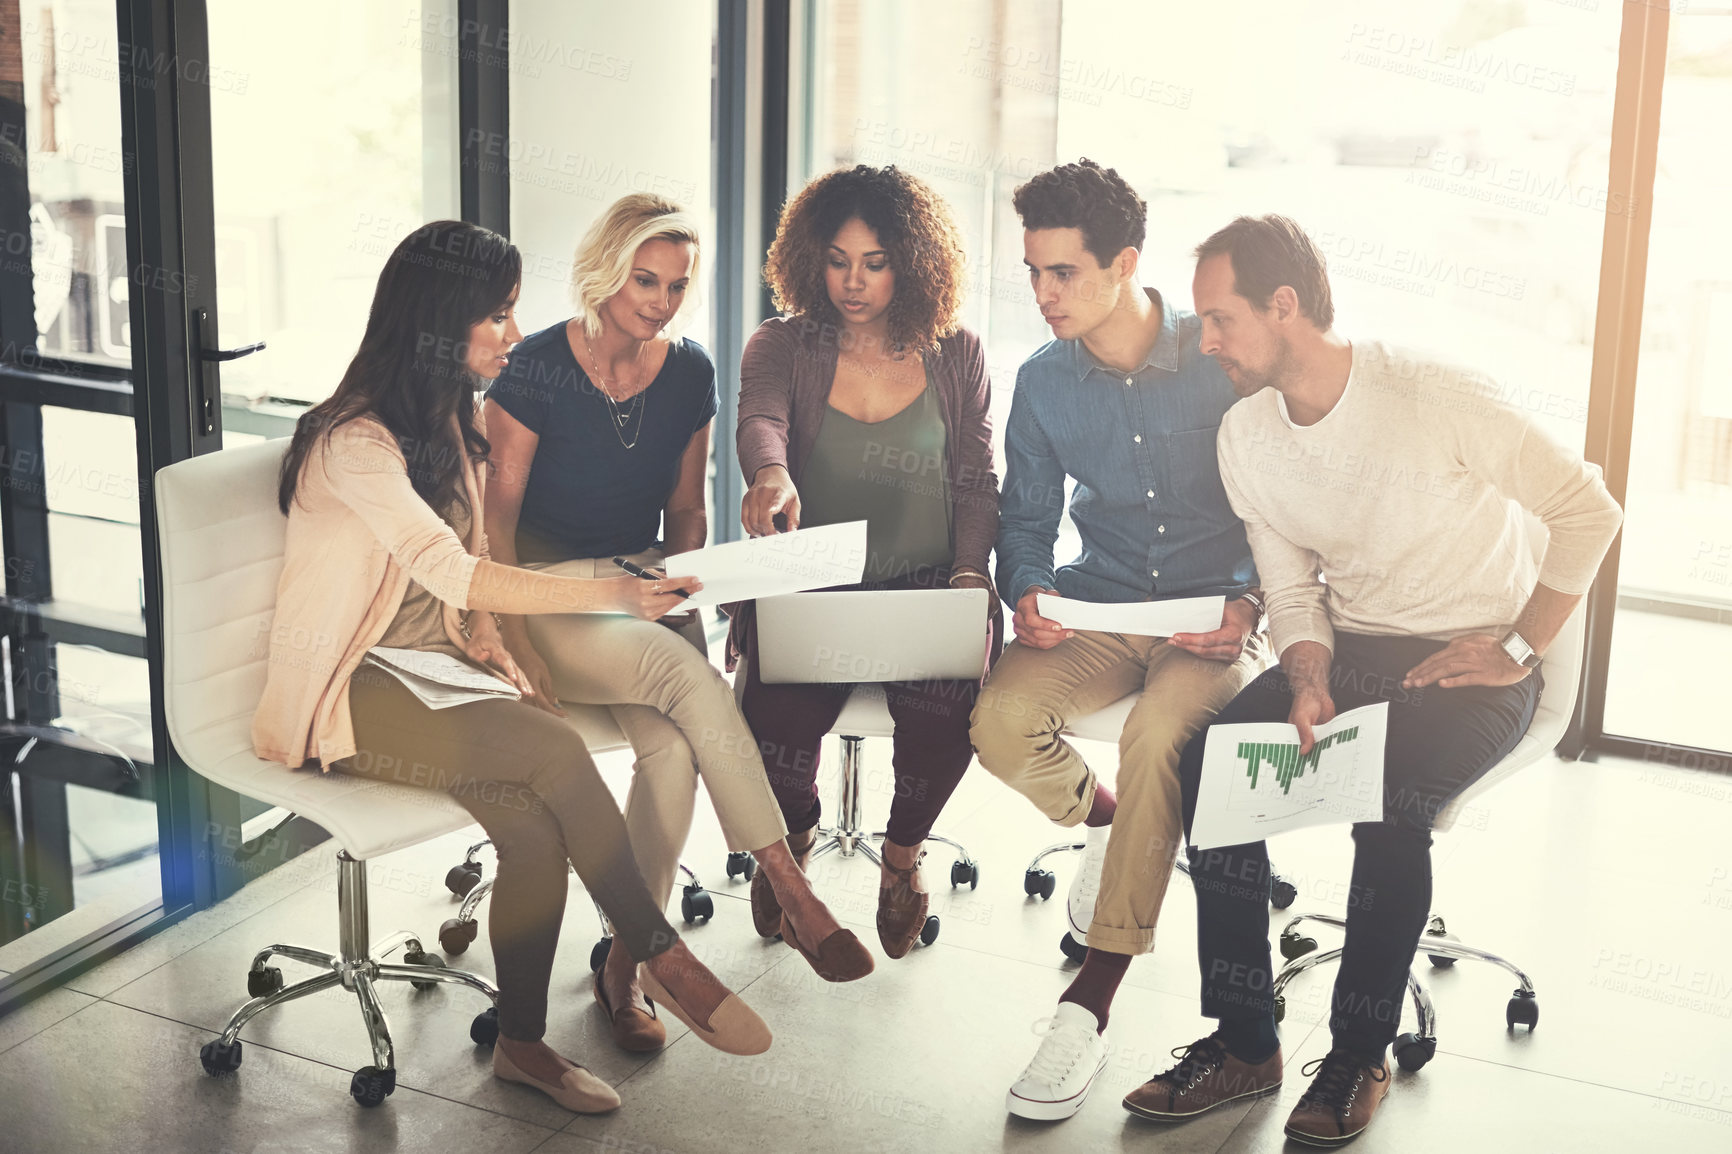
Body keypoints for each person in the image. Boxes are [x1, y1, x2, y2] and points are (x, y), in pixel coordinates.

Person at [1120, 214, 1622, 1146]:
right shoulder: (1246, 437)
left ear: (1286, 305)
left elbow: (1589, 510)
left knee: (1393, 801)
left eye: (1223, 319)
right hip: (1353, 650)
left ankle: (1359, 1054)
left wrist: (1519, 647)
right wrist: (1307, 672)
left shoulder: (1435, 395)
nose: (1208, 342)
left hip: (1471, 660)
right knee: (1214, 768)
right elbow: (1291, 586)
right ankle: (1243, 1045)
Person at [252, 221, 773, 1117]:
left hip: (435, 673)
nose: (513, 332)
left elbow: (468, 568)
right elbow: (452, 569)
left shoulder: (446, 421)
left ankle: (524, 1049)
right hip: (354, 691)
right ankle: (655, 951)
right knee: (552, 750)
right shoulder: (355, 445)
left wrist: (493, 639)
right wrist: (611, 592)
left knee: (533, 834)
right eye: (495, 316)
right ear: (437, 325)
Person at [481, 195, 871, 1050]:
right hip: (549, 594)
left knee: (669, 753)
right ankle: (788, 883)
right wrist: (512, 642)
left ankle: (625, 966)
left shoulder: (690, 371)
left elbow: (687, 513)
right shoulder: (533, 371)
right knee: (682, 681)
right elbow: (492, 533)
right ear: (607, 269)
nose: (659, 300)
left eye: (677, 285)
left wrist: (686, 592)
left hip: (644, 585)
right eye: (644, 279)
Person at [965, 160, 1270, 1120]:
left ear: (1125, 263)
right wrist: (1030, 587)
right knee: (1000, 723)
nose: (1043, 293)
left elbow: (1284, 510)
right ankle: (1110, 826)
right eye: (1033, 273)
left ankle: (1087, 1005)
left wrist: (1249, 604)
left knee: (1160, 743)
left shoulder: (1218, 361)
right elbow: (1025, 522)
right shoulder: (1045, 382)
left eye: (1062, 273)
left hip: (1209, 624)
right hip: (1099, 606)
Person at [732, 164, 1001, 960]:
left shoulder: (956, 352)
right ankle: (796, 846)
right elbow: (760, 421)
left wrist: (968, 577)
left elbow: (978, 480)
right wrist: (771, 474)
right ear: (810, 258)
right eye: (838, 260)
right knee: (771, 719)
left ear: (911, 265)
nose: (853, 282)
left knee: (950, 710)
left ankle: (901, 861)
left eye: (875, 262)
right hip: (813, 574)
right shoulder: (784, 342)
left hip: (926, 578)